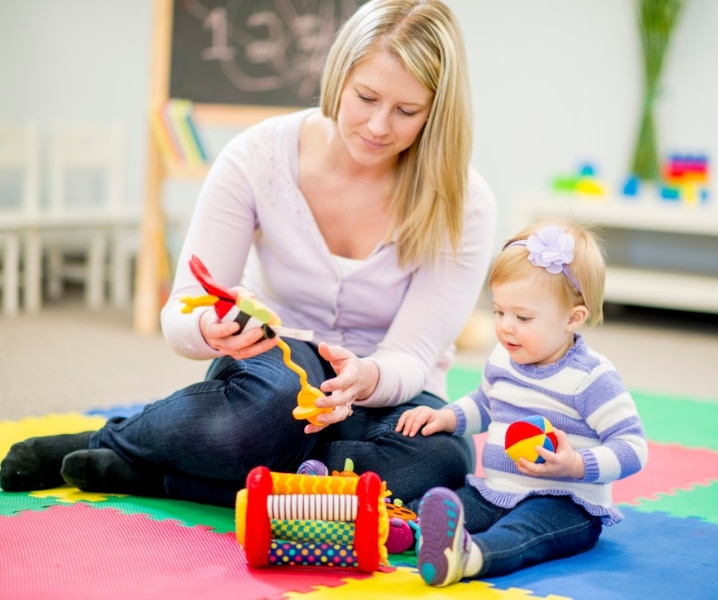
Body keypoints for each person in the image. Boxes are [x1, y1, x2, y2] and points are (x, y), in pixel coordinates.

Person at [0, 0, 496, 508]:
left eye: (406, 111)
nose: (377, 126)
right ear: (338, 76)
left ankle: (170, 475)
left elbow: (411, 355)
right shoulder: (256, 157)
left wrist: (364, 378)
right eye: (365, 97)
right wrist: (205, 331)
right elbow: (183, 310)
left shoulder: (465, 201)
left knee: (442, 460)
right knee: (271, 415)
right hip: (275, 380)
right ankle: (114, 440)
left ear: (436, 111)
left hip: (390, 391)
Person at [395, 218, 647, 587]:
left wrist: (575, 464)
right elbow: (485, 404)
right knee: (445, 506)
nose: (505, 326)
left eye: (523, 317)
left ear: (572, 319)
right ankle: (392, 528)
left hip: (565, 503)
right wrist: (446, 417)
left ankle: (469, 556)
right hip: (496, 492)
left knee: (522, 533)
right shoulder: (503, 358)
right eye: (499, 311)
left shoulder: (591, 379)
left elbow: (633, 447)